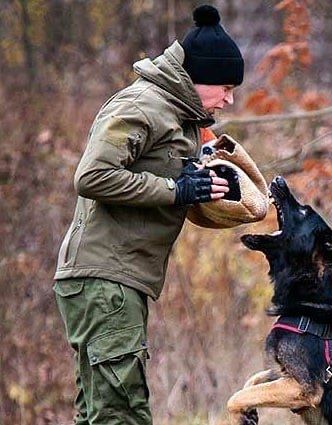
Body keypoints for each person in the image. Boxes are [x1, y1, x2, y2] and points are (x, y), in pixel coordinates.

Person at [53, 4, 244, 424]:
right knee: (122, 416)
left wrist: (214, 189)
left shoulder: (180, 117)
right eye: (225, 87)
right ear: (197, 78)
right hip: (105, 281)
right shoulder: (143, 105)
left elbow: (166, 181)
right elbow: (93, 176)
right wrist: (177, 189)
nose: (230, 99)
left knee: (99, 415)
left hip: (114, 281)